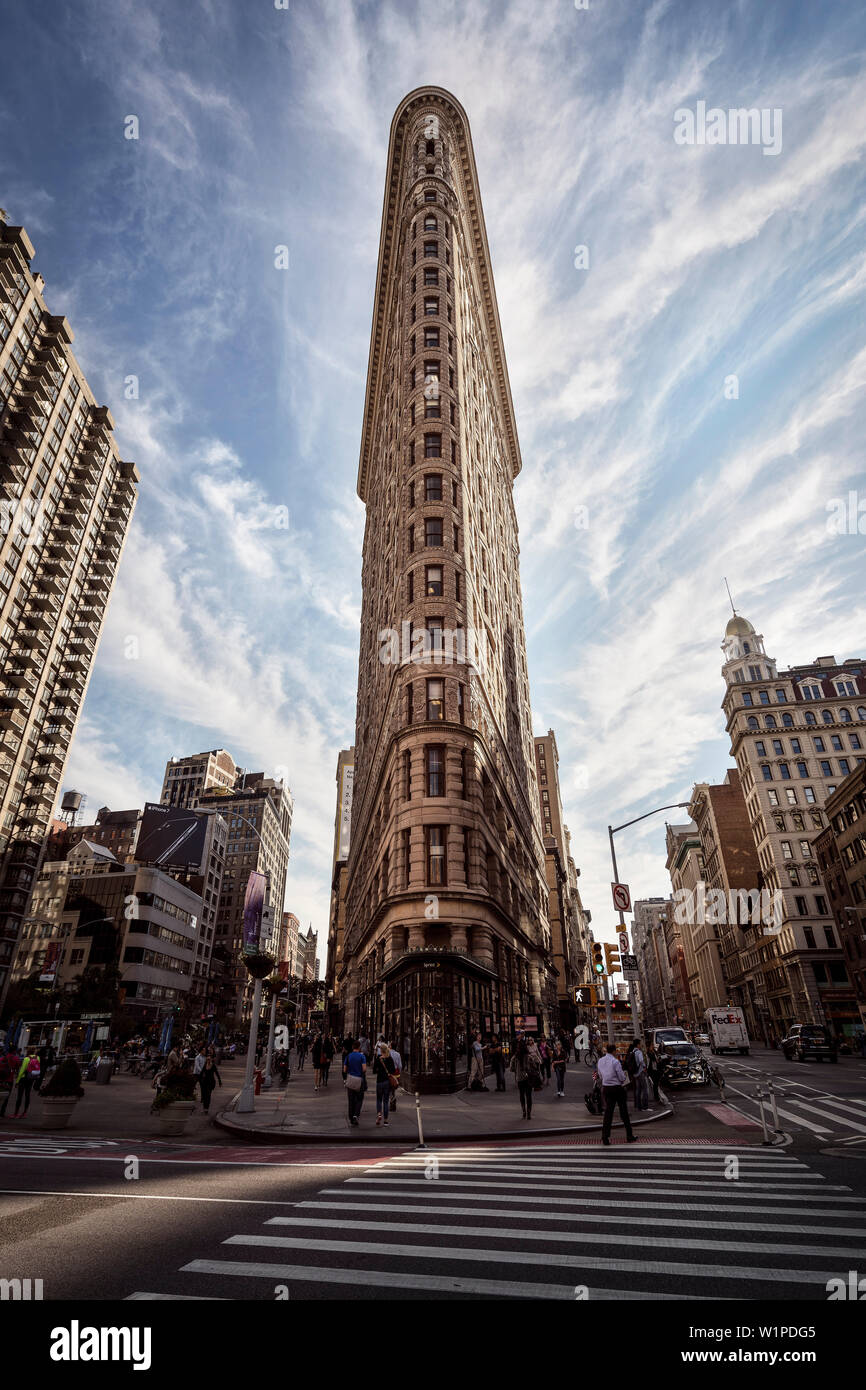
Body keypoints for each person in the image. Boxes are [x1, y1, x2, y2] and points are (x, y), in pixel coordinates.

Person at [598, 1043, 636, 1146]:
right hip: (617, 1088)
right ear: (614, 1051)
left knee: (608, 1113)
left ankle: (605, 1136)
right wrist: (623, 1078)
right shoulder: (615, 1062)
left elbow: (600, 1075)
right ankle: (629, 1135)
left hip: (606, 1088)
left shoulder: (600, 1061)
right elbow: (622, 1077)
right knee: (624, 1112)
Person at [509, 1033, 541, 1120]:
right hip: (528, 1078)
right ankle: (529, 1113)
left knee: (521, 1095)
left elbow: (511, 1069)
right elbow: (535, 1066)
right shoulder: (529, 1057)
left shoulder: (515, 1058)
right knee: (529, 1095)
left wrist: (517, 1069)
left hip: (519, 1078)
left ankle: (523, 1111)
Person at [343, 1037, 367, 1126]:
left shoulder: (349, 1056)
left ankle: (350, 1116)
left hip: (350, 1079)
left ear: (353, 1047)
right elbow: (364, 1069)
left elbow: (344, 1069)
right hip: (359, 1080)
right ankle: (355, 1115)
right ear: (359, 1047)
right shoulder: (362, 1056)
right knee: (359, 1099)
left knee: (351, 1100)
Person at [373, 1042, 397, 1125]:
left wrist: (378, 1070)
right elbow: (393, 1071)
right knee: (386, 1101)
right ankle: (386, 1120)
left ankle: (379, 1114)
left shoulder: (378, 1058)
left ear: (381, 1050)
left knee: (379, 1099)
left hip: (379, 1081)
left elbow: (374, 1070)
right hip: (387, 1082)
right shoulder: (390, 1059)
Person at [12, 1050, 39, 1117]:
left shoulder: (26, 1059)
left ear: (28, 1052)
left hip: (24, 1078)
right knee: (27, 1095)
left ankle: (16, 1113)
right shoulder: (38, 1058)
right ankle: (24, 1113)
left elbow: (22, 1070)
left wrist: (17, 1081)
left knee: (20, 1096)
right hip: (31, 1078)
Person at [0, 1047, 21, 1118]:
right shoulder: (16, 1058)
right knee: (6, 1097)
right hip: (9, 1080)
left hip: (1, 1080)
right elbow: (18, 1069)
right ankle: (2, 1112)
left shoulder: (3, 1058)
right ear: (14, 1051)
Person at [632, 1039, 649, 1111]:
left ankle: (639, 1106)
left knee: (638, 1090)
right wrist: (644, 1067)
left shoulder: (632, 1051)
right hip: (640, 1072)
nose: (641, 1045)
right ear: (638, 1044)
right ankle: (645, 1106)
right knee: (645, 1089)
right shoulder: (639, 1052)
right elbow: (641, 1060)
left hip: (635, 1073)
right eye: (640, 1044)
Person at [386, 1039, 402, 1109]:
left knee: (389, 1088)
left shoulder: (388, 1053)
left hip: (389, 1073)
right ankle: (393, 1098)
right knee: (394, 1088)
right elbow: (400, 1066)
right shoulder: (398, 1054)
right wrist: (400, 1072)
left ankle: (392, 1099)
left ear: (391, 1046)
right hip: (396, 1073)